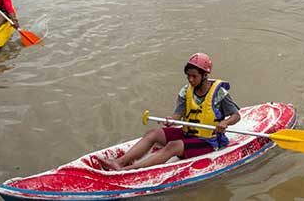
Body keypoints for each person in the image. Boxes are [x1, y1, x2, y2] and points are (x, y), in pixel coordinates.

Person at [99, 53, 241, 171]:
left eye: (194, 76)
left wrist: (225, 122)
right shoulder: (186, 91)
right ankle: (119, 162)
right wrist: (171, 119)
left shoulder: (219, 93)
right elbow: (178, 114)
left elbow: (236, 116)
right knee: (153, 133)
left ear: (204, 75)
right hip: (188, 134)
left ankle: (130, 170)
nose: (190, 80)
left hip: (209, 141)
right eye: (188, 76)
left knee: (173, 146)